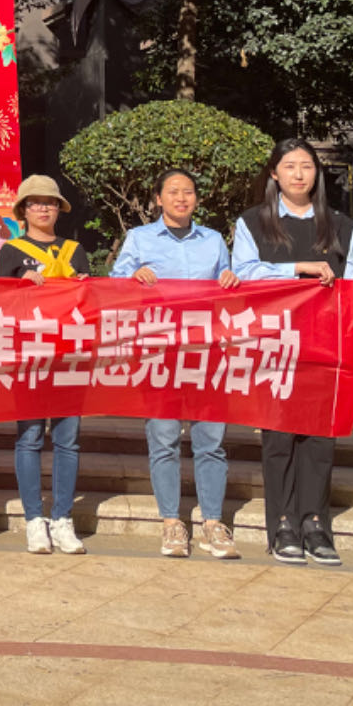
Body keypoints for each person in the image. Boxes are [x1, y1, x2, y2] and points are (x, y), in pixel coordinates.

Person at [231, 137, 353, 567]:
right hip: (274, 342)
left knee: (319, 436)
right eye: (290, 166)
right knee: (278, 435)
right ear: (274, 174)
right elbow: (243, 275)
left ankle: (315, 524)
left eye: (307, 166)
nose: (299, 174)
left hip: (325, 342)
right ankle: (282, 525)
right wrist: (296, 268)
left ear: (317, 174)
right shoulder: (253, 222)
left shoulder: (340, 226)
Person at [111, 168, 243, 562]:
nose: (181, 198)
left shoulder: (213, 240)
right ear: (158, 199)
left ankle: (213, 522)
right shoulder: (140, 238)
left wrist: (230, 278)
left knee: (211, 441)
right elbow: (115, 284)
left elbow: (229, 290)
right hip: (160, 352)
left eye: (188, 192)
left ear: (197, 199)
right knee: (164, 438)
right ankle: (171, 522)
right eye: (173, 191)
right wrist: (133, 276)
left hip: (206, 352)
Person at [0, 174, 86, 557]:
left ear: (59, 209)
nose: (43, 208)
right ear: (23, 210)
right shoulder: (11, 252)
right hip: (28, 357)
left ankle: (62, 518)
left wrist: (83, 285)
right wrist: (20, 285)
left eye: (49, 202)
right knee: (30, 437)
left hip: (68, 356)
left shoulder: (74, 250)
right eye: (35, 203)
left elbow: (87, 303)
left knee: (67, 440)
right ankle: (34, 519)